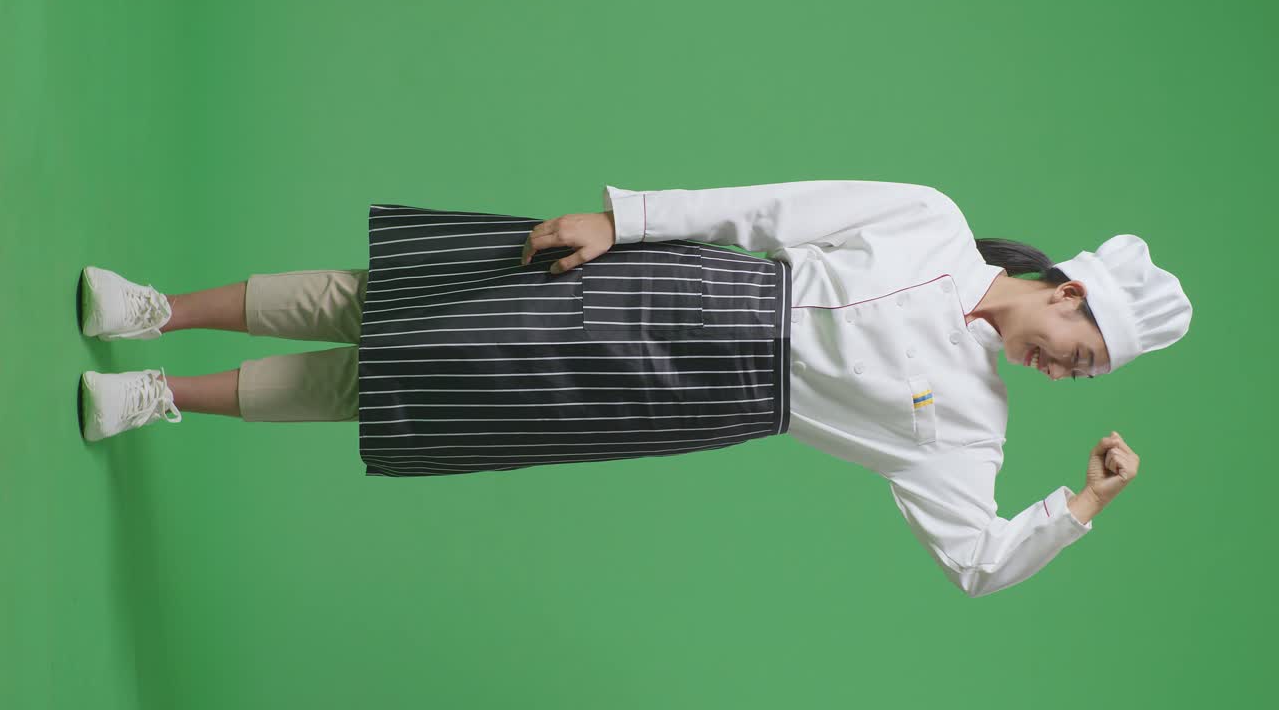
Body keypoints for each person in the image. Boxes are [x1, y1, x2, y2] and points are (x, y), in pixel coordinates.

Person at [77, 179, 1192, 597]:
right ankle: (154, 311)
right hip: (674, 282)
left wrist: (1082, 503)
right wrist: (626, 223)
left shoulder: (969, 425)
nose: (1055, 372)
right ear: (1067, 290)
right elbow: (771, 211)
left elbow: (979, 563)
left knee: (407, 392)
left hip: (673, 400)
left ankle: (162, 396)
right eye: (1073, 349)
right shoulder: (932, 224)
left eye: (1074, 379)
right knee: (391, 297)